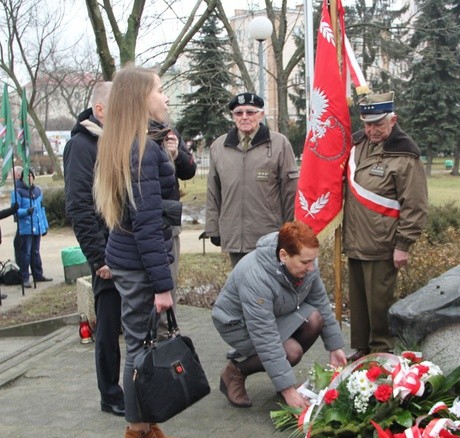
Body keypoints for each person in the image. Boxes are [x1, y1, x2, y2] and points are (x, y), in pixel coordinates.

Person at [94, 65, 183, 438]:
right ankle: (137, 435)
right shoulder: (141, 150)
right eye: (160, 91)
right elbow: (147, 224)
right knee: (139, 350)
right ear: (140, 98)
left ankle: (148, 425)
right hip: (142, 266)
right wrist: (162, 285)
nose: (165, 98)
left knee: (143, 345)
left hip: (133, 261)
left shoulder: (131, 142)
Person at [212, 221, 348, 409]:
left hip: (274, 314)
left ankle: (279, 373)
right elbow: (266, 336)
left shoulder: (307, 264)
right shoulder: (256, 276)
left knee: (315, 319)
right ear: (283, 255)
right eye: (305, 262)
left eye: (313, 260)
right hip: (236, 323)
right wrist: (288, 389)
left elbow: (320, 302)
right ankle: (235, 372)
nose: (311, 268)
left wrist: (335, 347)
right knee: (291, 351)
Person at [343, 92, 428, 359]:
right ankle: (362, 348)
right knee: (358, 302)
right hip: (356, 239)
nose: (371, 130)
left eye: (378, 124)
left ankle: (382, 352)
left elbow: (414, 204)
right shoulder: (357, 145)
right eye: (367, 124)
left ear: (393, 119)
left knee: (380, 303)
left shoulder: (405, 154)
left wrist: (403, 245)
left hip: (383, 243)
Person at [64, 81, 125, 417]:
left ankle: (130, 387)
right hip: (108, 256)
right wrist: (99, 257)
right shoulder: (81, 146)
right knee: (108, 325)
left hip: (125, 248)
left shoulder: (113, 141)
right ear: (100, 110)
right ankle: (110, 394)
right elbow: (79, 207)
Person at [204, 92, 299, 267]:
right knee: (241, 289)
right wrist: (213, 228)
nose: (244, 117)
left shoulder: (279, 144)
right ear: (233, 117)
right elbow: (213, 192)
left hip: (269, 236)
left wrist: (290, 230)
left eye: (250, 112)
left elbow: (290, 191)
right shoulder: (219, 146)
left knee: (268, 290)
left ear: (261, 115)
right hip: (234, 236)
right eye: (239, 113)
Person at [147, 118, 196, 311]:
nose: (165, 99)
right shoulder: (128, 128)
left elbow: (189, 170)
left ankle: (167, 329)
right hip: (138, 220)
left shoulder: (169, 131)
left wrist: (176, 155)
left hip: (168, 218)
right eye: (159, 92)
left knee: (169, 277)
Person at [11, 172, 51, 287]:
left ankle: (38, 274)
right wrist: (26, 211)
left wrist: (44, 225)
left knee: (36, 252)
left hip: (37, 226)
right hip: (26, 227)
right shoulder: (17, 191)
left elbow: (41, 209)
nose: (29, 179)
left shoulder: (37, 191)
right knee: (26, 253)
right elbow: (15, 210)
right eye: (26, 177)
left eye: (31, 176)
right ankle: (25, 278)